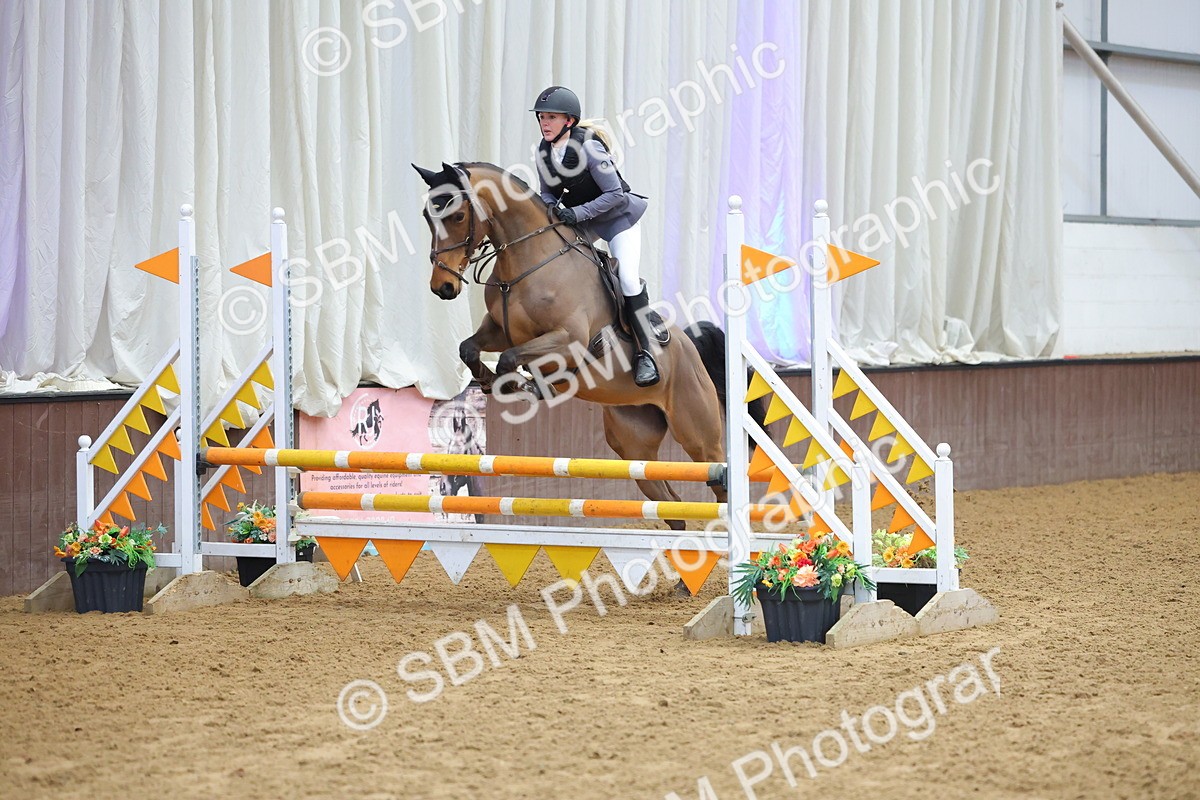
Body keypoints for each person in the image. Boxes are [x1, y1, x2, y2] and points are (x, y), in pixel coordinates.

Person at [531, 85, 666, 387]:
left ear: (569, 121)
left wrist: (575, 214)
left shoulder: (589, 148)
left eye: (551, 117)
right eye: (541, 117)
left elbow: (615, 194)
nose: (544, 123)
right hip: (586, 222)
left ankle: (646, 354)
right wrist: (552, 210)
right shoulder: (543, 151)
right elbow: (547, 193)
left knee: (628, 279)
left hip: (618, 218)